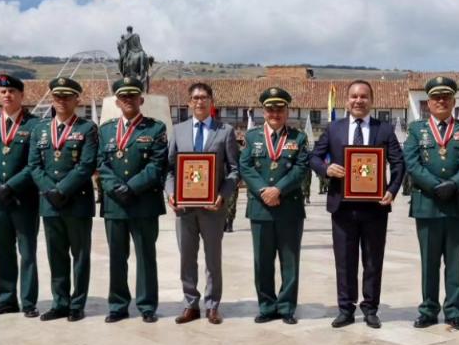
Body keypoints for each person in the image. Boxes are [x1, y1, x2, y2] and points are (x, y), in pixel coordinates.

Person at [309, 80, 405, 329]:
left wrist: (392, 190)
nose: (358, 101)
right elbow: (314, 157)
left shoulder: (383, 129)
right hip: (342, 205)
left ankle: (371, 308)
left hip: (375, 207)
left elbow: (398, 163)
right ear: (347, 100)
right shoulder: (333, 129)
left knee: (373, 260)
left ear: (371, 101)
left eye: (364, 96)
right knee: (345, 260)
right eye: (354, 96)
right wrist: (326, 169)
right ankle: (345, 309)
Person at [403, 76, 459, 330]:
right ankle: (428, 309)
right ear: (428, 102)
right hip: (427, 203)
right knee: (429, 261)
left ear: (453, 101)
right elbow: (412, 163)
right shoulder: (417, 129)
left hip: (457, 203)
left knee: (455, 262)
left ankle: (454, 311)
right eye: (436, 97)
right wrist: (435, 185)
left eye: (446, 97)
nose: (441, 101)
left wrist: (455, 184)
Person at [165, 82, 239, 325]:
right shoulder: (178, 130)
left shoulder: (224, 131)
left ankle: (212, 305)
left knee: (212, 258)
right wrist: (171, 193)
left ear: (211, 102)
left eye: (204, 97)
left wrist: (223, 195)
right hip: (184, 208)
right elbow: (169, 169)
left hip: (212, 208)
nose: (199, 102)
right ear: (189, 102)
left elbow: (234, 170)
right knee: (187, 257)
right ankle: (190, 304)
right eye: (195, 98)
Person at [97, 77, 167, 324]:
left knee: (146, 257)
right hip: (115, 204)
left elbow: (157, 165)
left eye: (132, 96)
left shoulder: (155, 129)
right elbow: (101, 164)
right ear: (117, 101)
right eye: (123, 97)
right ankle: (117, 305)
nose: (128, 100)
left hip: (144, 203)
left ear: (141, 99)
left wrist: (132, 187)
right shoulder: (105, 130)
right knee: (117, 257)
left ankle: (147, 305)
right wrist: (117, 187)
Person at [28, 77, 97, 322]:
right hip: (50, 203)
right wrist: (50, 190)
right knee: (55, 256)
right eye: (57, 96)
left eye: (67, 96)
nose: (62, 101)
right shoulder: (40, 129)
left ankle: (77, 304)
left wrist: (62, 190)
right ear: (51, 99)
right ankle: (60, 302)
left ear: (77, 99)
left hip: (76, 202)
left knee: (80, 256)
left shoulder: (87, 128)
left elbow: (86, 164)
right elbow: (34, 166)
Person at [239, 87, 309, 324]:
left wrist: (278, 189)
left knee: (290, 261)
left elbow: (301, 169)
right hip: (260, 208)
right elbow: (245, 167)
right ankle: (267, 306)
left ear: (287, 110)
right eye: (270, 109)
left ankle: (287, 307)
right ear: (263, 111)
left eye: (280, 109)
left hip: (289, 207)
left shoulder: (298, 138)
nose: (275, 113)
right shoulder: (251, 137)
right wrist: (263, 190)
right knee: (262, 261)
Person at [0, 74, 41, 318]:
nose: (7, 95)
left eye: (12, 91)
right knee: (2, 251)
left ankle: (28, 301)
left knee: (27, 252)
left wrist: (11, 186)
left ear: (21, 95)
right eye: (3, 91)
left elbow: (33, 163)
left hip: (23, 199)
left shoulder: (34, 125)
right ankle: (5, 299)